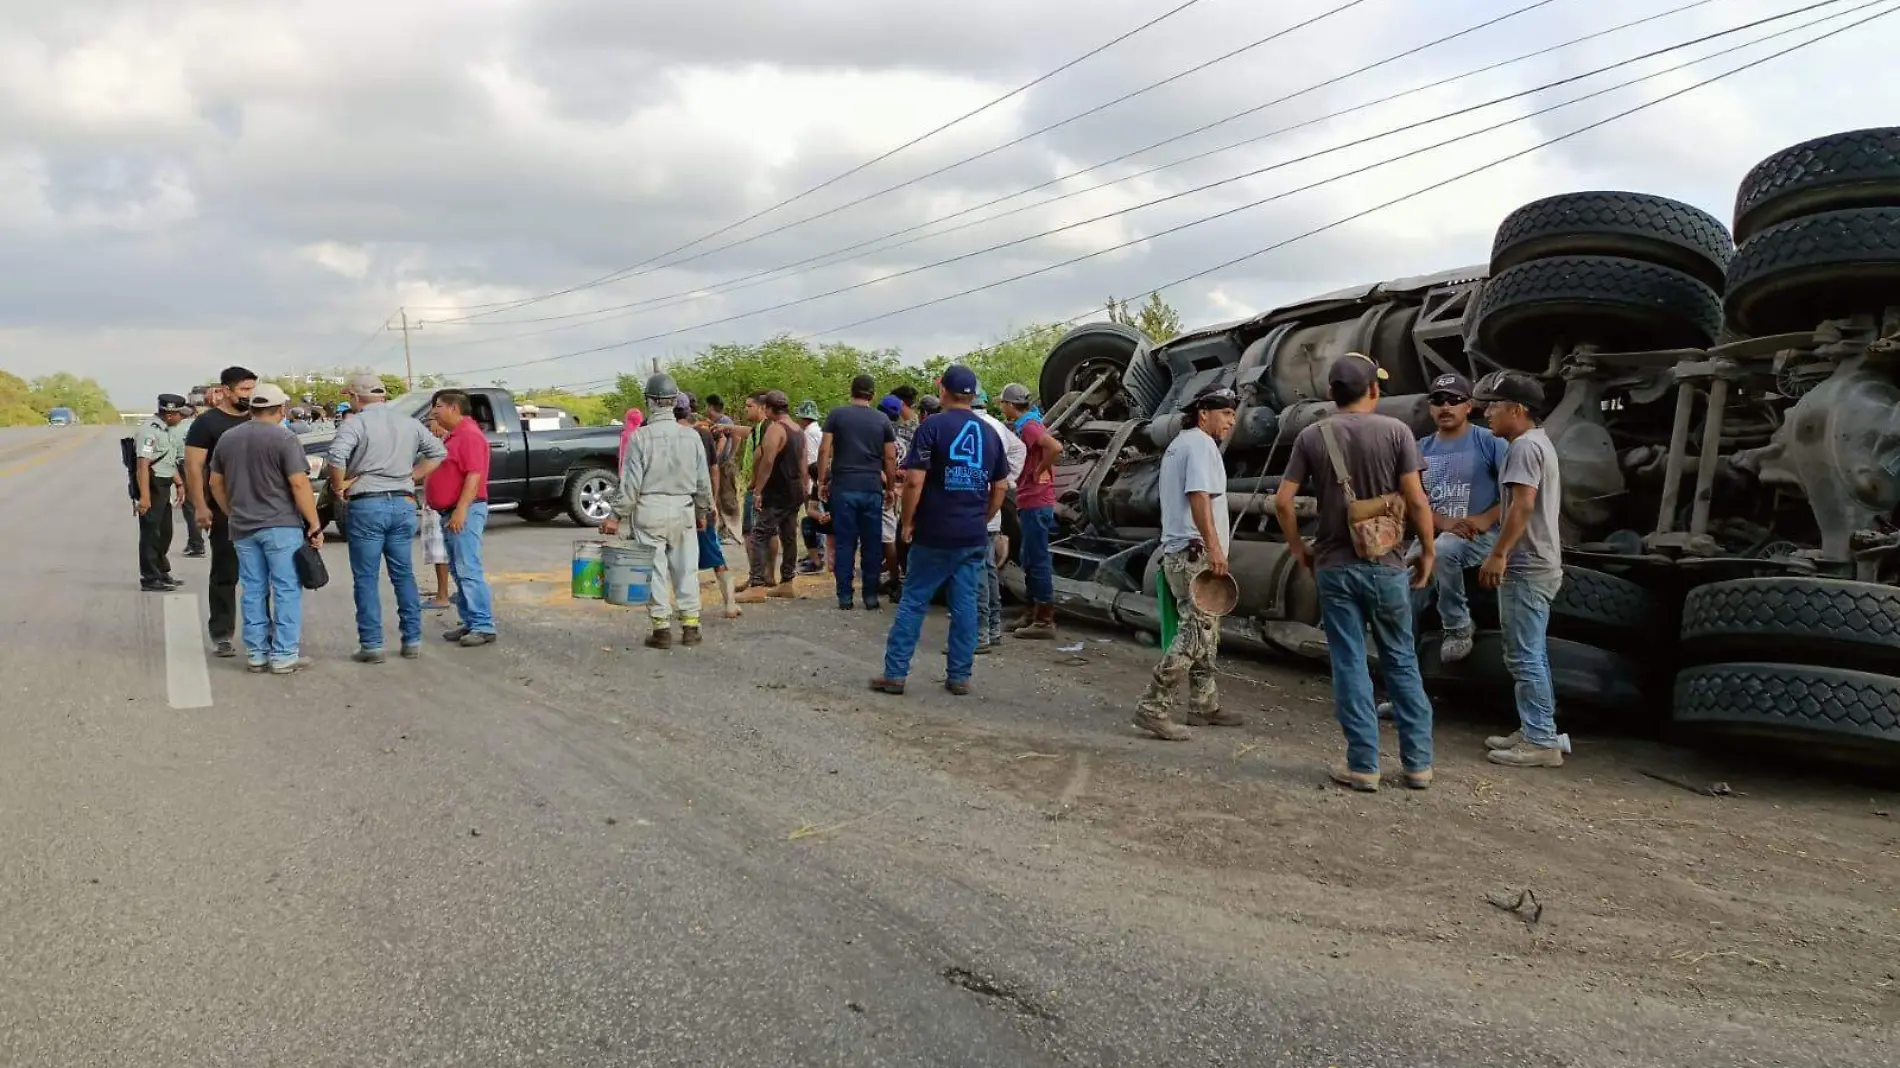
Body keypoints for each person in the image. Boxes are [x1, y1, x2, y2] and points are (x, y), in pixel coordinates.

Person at [1275, 353, 1437, 792]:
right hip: (1386, 565)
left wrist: (1298, 549)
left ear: (1330, 393)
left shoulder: (1312, 435)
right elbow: (1417, 500)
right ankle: (1418, 764)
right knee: (1401, 660)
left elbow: (1283, 501)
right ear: (1375, 390)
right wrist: (1427, 551)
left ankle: (1364, 766)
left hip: (1334, 566)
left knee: (1349, 663)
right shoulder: (1398, 432)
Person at [870, 365, 1010, 697]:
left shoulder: (932, 426)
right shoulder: (990, 432)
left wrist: (907, 522)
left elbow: (916, 480)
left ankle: (896, 674)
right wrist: (982, 516)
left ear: (943, 390)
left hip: (935, 533)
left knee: (914, 600)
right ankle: (959, 676)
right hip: (973, 535)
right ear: (973, 395)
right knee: (964, 605)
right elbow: (1001, 486)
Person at [1130, 386, 1242, 741]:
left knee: (1205, 631)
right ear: (1204, 413)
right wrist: (1215, 549)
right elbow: (1198, 497)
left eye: (1233, 415)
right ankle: (1152, 707)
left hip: (1182, 551)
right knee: (1195, 634)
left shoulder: (1181, 444)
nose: (1231, 421)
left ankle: (1203, 704)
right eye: (1226, 413)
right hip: (1196, 552)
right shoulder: (1200, 446)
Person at [1474, 370, 1568, 769]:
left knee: (1524, 656)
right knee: (1530, 654)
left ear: (1517, 409)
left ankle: (1541, 740)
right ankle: (1537, 728)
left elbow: (1523, 506)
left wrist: (1499, 554)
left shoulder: (1523, 448)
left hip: (1527, 565)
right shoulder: (1536, 443)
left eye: (1494, 406)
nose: (1487, 413)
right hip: (1540, 562)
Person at [327, 373, 446, 662]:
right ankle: (412, 639)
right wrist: (411, 475)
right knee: (403, 573)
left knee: (366, 578)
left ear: (355, 397)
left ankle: (372, 645)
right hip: (403, 503)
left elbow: (335, 457)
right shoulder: (409, 423)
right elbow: (438, 452)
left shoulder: (354, 424)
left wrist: (338, 485)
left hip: (368, 504)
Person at [206, 384, 323, 674]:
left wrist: (231, 512)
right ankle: (283, 654)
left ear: (251, 408)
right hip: (281, 525)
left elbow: (214, 483)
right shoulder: (285, 438)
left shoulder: (227, 438)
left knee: (253, 589)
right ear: (281, 409)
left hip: (243, 527)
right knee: (285, 588)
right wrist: (314, 522)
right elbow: (299, 483)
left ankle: (256, 654)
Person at [602, 373, 714, 648]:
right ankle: (690, 626)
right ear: (675, 401)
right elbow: (703, 482)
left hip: (649, 508)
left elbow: (630, 485)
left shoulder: (640, 437)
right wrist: (702, 512)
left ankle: (661, 628)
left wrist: (616, 516)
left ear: (650, 402)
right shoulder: (692, 437)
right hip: (684, 507)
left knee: (655, 570)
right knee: (686, 568)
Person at [1411, 372, 1509, 664]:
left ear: (1469, 406)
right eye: (1438, 400)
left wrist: (1483, 519)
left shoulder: (1490, 442)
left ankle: (1458, 626)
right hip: (1435, 532)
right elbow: (1411, 500)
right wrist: (1444, 523)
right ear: (1430, 407)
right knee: (1400, 587)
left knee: (1444, 550)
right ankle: (1405, 684)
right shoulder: (1420, 449)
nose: (1445, 406)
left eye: (1455, 400)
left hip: (1482, 535)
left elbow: (1518, 496)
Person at [184, 366, 259, 659]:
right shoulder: (208, 424)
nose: (250, 395)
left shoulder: (260, 417)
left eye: (253, 389)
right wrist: (200, 506)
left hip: (261, 508)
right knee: (226, 573)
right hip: (224, 509)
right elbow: (193, 466)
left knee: (262, 575)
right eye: (244, 390)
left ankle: (262, 633)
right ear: (226, 390)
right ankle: (222, 633)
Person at [818, 374, 899, 610]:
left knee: (845, 543)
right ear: (872, 395)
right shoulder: (882, 420)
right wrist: (891, 487)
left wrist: (823, 481)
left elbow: (824, 450)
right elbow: (890, 456)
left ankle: (845, 596)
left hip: (843, 487)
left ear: (851, 391)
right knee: (872, 543)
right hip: (871, 487)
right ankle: (871, 596)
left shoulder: (837, 415)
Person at [426, 390, 496, 647]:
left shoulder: (468, 435)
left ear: (453, 408)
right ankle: (471, 621)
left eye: (438, 407)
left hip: (464, 510)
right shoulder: (455, 436)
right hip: (451, 510)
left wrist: (461, 509)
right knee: (458, 569)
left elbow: (474, 475)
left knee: (468, 569)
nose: (434, 412)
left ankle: (483, 624)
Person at [997, 382, 1062, 639]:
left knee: (1037, 560)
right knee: (1028, 557)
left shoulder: (1030, 425)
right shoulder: (1029, 423)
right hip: (1031, 501)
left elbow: (1055, 447)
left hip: (1036, 501)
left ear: (1011, 405)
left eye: (1003, 403)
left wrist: (1039, 470)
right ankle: (1032, 611)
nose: (1002, 407)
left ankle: (1044, 620)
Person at [737, 390, 805, 604]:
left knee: (758, 535)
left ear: (768, 408)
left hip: (778, 491)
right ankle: (787, 582)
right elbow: (803, 462)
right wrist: (806, 487)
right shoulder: (797, 429)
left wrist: (758, 489)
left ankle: (757, 585)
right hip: (795, 489)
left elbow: (767, 460)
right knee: (789, 535)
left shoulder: (776, 429)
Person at [970, 390, 1025, 652]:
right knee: (988, 569)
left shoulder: (969, 426)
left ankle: (980, 635)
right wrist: (1007, 480)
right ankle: (993, 629)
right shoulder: (998, 426)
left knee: (976, 571)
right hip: (993, 508)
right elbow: (1019, 449)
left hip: (973, 510)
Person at [684, 393, 742, 619]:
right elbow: (714, 470)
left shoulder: (666, 433)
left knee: (680, 558)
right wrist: (712, 503)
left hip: (677, 502)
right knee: (716, 555)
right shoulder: (704, 433)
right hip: (701, 501)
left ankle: (687, 609)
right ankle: (729, 605)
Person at [134, 394, 193, 592]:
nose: (182, 418)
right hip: (152, 484)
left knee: (165, 531)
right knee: (151, 533)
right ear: (169, 414)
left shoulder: (166, 429)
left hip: (164, 483)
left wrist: (179, 482)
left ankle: (161, 571)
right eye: (179, 414)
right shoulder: (149, 431)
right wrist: (144, 496)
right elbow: (143, 465)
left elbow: (166, 458)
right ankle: (150, 578)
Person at [417, 414, 454, 611]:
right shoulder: (440, 443)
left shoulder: (444, 445)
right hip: (433, 502)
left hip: (441, 504)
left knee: (440, 550)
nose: (430, 430)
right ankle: (443, 591)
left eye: (432, 425)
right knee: (437, 549)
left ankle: (443, 595)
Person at [178, 388, 213, 558]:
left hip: (189, 464)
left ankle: (196, 543)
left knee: (192, 505)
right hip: (212, 465)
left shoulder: (183, 425)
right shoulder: (214, 419)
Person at [705, 394, 743, 543]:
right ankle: (723, 531)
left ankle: (734, 533)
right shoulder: (716, 422)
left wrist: (730, 457)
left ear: (711, 407)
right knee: (720, 499)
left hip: (725, 465)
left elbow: (737, 437)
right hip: (719, 465)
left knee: (728, 499)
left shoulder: (725, 422)